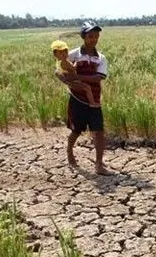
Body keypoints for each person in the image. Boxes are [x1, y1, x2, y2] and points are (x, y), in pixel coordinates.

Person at [56, 21, 110, 175]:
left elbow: (97, 78)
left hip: (94, 101)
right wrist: (66, 80)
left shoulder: (101, 58)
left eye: (96, 36)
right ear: (83, 37)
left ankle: (99, 165)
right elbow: (58, 70)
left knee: (99, 132)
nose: (94, 39)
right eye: (91, 36)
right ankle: (69, 152)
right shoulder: (73, 54)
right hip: (77, 99)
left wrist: (76, 76)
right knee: (76, 130)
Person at [51, 40, 98, 107]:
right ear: (55, 55)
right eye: (61, 52)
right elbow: (73, 68)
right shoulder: (64, 62)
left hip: (73, 79)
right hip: (73, 81)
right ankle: (92, 103)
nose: (64, 54)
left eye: (65, 51)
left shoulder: (61, 61)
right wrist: (77, 62)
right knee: (87, 88)